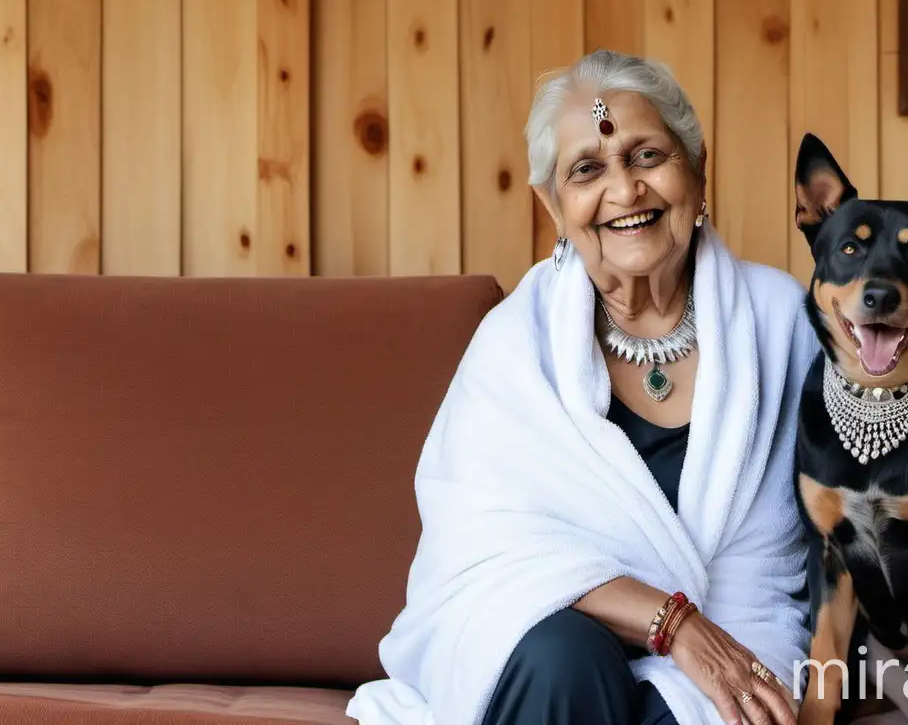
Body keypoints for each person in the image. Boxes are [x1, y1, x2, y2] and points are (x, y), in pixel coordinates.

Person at [345, 49, 821, 725]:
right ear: (553, 204)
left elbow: (830, 519)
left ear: (697, 166)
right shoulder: (516, 344)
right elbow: (479, 546)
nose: (626, 191)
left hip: (739, 627)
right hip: (540, 635)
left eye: (647, 156)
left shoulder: (780, 322)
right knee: (564, 660)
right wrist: (672, 623)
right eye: (588, 170)